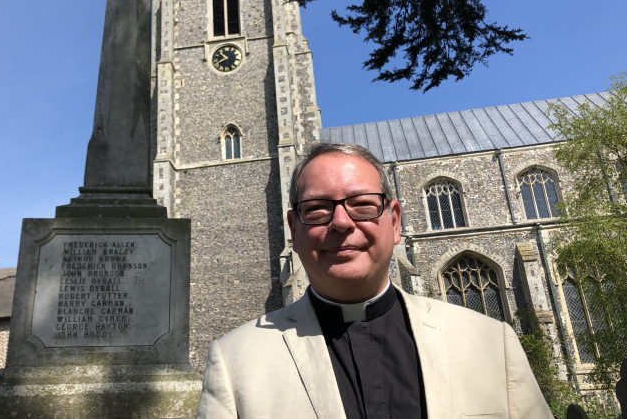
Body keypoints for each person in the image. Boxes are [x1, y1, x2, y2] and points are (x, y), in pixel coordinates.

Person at [197, 143, 552, 418]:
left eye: (362, 204)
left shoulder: (491, 342)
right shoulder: (235, 361)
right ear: (293, 228)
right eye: (318, 208)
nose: (341, 222)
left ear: (395, 221)